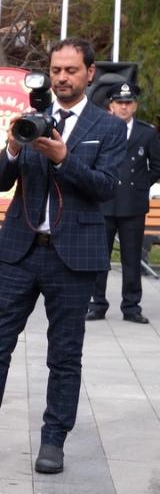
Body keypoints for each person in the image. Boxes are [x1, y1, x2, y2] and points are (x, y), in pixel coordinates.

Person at [0, 39, 126, 475]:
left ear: (90, 73)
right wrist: (14, 147)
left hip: (72, 258)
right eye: (56, 70)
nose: (62, 78)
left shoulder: (108, 126)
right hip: (20, 252)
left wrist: (63, 158)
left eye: (71, 70)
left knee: (64, 356)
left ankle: (53, 441)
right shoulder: (29, 120)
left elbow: (105, 188)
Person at [89, 81, 159, 322]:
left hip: (133, 204)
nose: (124, 107)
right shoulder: (101, 129)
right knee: (100, 257)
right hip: (105, 201)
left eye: (128, 103)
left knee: (131, 258)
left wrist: (140, 184)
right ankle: (97, 304)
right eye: (119, 102)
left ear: (135, 106)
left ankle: (131, 307)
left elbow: (157, 166)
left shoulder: (147, 133)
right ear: (111, 105)